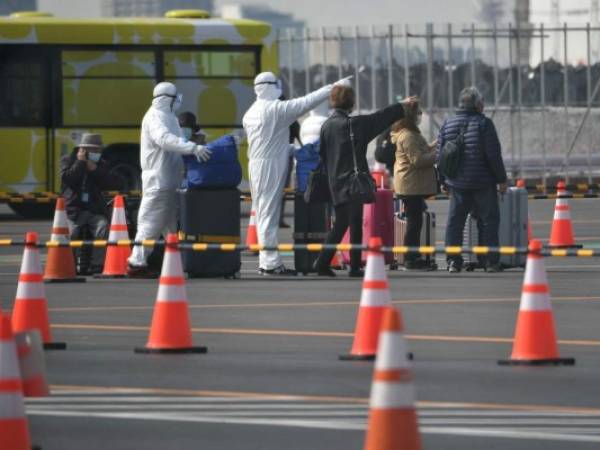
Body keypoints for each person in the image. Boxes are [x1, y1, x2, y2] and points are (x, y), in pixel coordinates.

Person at [243, 71, 351, 276]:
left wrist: (289, 150)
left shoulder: (251, 112)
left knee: (265, 212)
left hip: (259, 164)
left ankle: (268, 262)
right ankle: (270, 264)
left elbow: (267, 140)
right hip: (269, 166)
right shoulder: (275, 109)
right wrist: (333, 87)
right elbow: (306, 103)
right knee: (268, 214)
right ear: (269, 86)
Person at [312, 84, 419, 277]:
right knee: (354, 222)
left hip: (335, 182)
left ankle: (322, 262)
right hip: (354, 181)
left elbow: (322, 154)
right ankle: (354, 266)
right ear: (351, 102)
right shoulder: (357, 124)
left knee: (341, 222)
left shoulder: (327, 126)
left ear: (333, 101)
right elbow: (381, 117)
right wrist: (402, 105)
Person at [127, 82, 212, 278]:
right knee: (149, 223)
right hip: (159, 181)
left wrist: (196, 143)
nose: (178, 101)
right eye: (175, 97)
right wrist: (192, 148)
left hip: (169, 181)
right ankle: (136, 262)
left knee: (170, 227)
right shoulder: (155, 117)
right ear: (167, 99)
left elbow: (178, 139)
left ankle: (176, 263)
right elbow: (164, 139)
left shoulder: (169, 117)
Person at [437, 86, 507, 273]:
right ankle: (489, 261)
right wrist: (502, 179)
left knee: (455, 222)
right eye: (482, 101)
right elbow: (493, 155)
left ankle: (453, 261)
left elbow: (440, 155)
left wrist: (442, 180)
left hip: (457, 184)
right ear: (476, 104)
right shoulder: (484, 124)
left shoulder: (447, 123)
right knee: (488, 221)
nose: (483, 105)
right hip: (483, 182)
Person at [60, 133, 122, 274]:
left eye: (98, 150)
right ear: (82, 149)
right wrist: (80, 163)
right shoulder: (68, 160)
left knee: (103, 227)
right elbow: (69, 179)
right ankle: (70, 264)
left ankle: (97, 265)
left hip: (92, 209)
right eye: (93, 150)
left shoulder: (101, 164)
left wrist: (94, 169)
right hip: (73, 210)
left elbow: (112, 183)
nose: (97, 153)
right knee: (71, 232)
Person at [391, 106, 437, 270]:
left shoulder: (407, 134)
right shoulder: (409, 136)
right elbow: (417, 160)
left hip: (410, 183)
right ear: (410, 117)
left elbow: (420, 152)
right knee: (414, 222)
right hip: (410, 185)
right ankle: (411, 258)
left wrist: (434, 146)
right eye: (417, 113)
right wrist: (438, 156)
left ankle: (412, 256)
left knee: (415, 220)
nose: (420, 116)